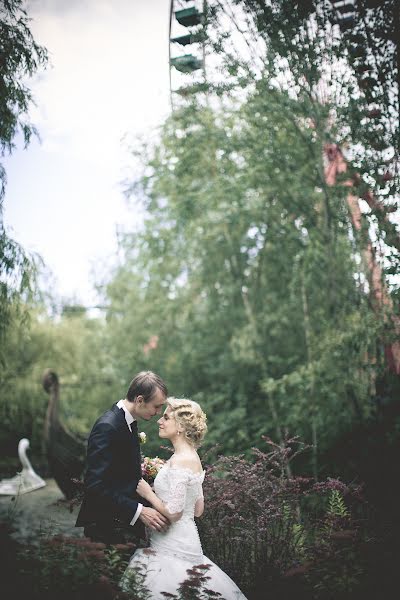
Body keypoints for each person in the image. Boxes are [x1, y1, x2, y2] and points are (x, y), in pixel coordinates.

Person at [122, 397, 247, 599]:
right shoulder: (192, 457)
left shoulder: (181, 460)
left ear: (180, 426)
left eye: (166, 417)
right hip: (186, 539)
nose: (159, 422)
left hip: (172, 545)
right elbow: (198, 509)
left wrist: (148, 494)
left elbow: (174, 513)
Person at [75, 371, 169, 545]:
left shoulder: (128, 421)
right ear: (140, 400)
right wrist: (139, 511)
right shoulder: (107, 426)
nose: (159, 413)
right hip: (106, 529)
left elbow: (120, 473)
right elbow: (95, 486)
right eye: (157, 406)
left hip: (122, 525)